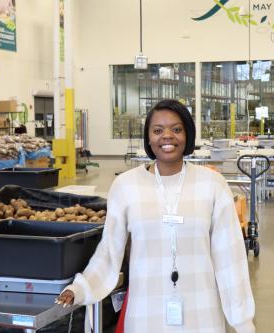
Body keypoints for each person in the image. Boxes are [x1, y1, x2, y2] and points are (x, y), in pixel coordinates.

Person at [56, 99, 255, 332]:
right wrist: (80, 288)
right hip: (145, 312)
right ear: (148, 138)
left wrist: (243, 321)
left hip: (202, 311)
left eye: (176, 129)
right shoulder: (125, 186)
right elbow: (109, 251)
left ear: (187, 135)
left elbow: (230, 257)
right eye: (158, 130)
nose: (167, 136)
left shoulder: (212, 184)